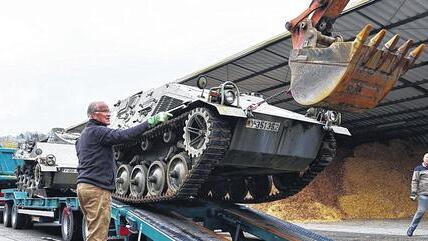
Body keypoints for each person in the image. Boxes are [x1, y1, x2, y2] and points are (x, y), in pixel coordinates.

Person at [76, 101, 171, 241]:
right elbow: (124, 135)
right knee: (98, 235)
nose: (108, 114)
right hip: (96, 189)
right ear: (93, 115)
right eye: (104, 111)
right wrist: (150, 122)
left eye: (109, 111)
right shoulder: (98, 131)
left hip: (83, 187)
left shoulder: (82, 137)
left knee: (93, 230)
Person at [407, 153, 428, 237]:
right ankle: (411, 228)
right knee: (421, 211)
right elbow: (414, 181)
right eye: (427, 157)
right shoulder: (418, 169)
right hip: (423, 194)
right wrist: (413, 193)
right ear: (423, 158)